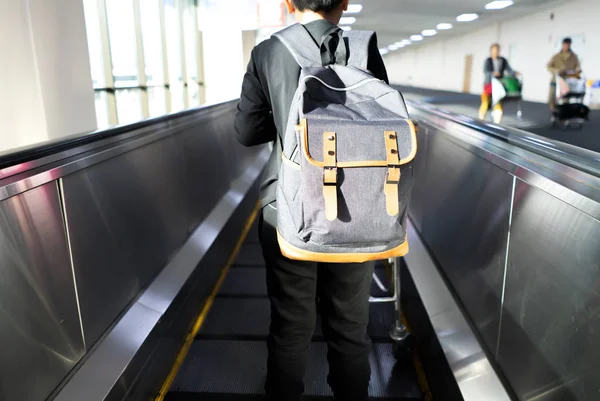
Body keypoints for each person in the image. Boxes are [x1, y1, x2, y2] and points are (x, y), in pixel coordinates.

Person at [234, 1, 388, 400]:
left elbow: (247, 131)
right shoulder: (363, 48)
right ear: (346, 3)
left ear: (288, 2)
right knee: (351, 328)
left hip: (286, 209)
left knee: (290, 324)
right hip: (357, 209)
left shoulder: (268, 52)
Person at [479, 43, 516, 124]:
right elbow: (486, 71)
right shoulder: (488, 61)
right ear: (491, 51)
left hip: (499, 85)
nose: (496, 52)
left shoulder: (503, 60)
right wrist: (493, 73)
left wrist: (513, 73)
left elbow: (509, 69)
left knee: (498, 102)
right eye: (494, 50)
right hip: (489, 84)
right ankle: (481, 119)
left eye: (497, 50)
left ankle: (497, 122)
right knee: (485, 101)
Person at [547, 37, 581, 112]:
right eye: (565, 44)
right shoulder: (556, 56)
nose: (567, 46)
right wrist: (556, 71)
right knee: (552, 97)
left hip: (568, 80)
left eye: (568, 45)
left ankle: (564, 113)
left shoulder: (574, 56)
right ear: (563, 45)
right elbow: (548, 66)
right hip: (556, 79)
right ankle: (553, 113)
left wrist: (577, 70)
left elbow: (577, 66)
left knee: (565, 98)